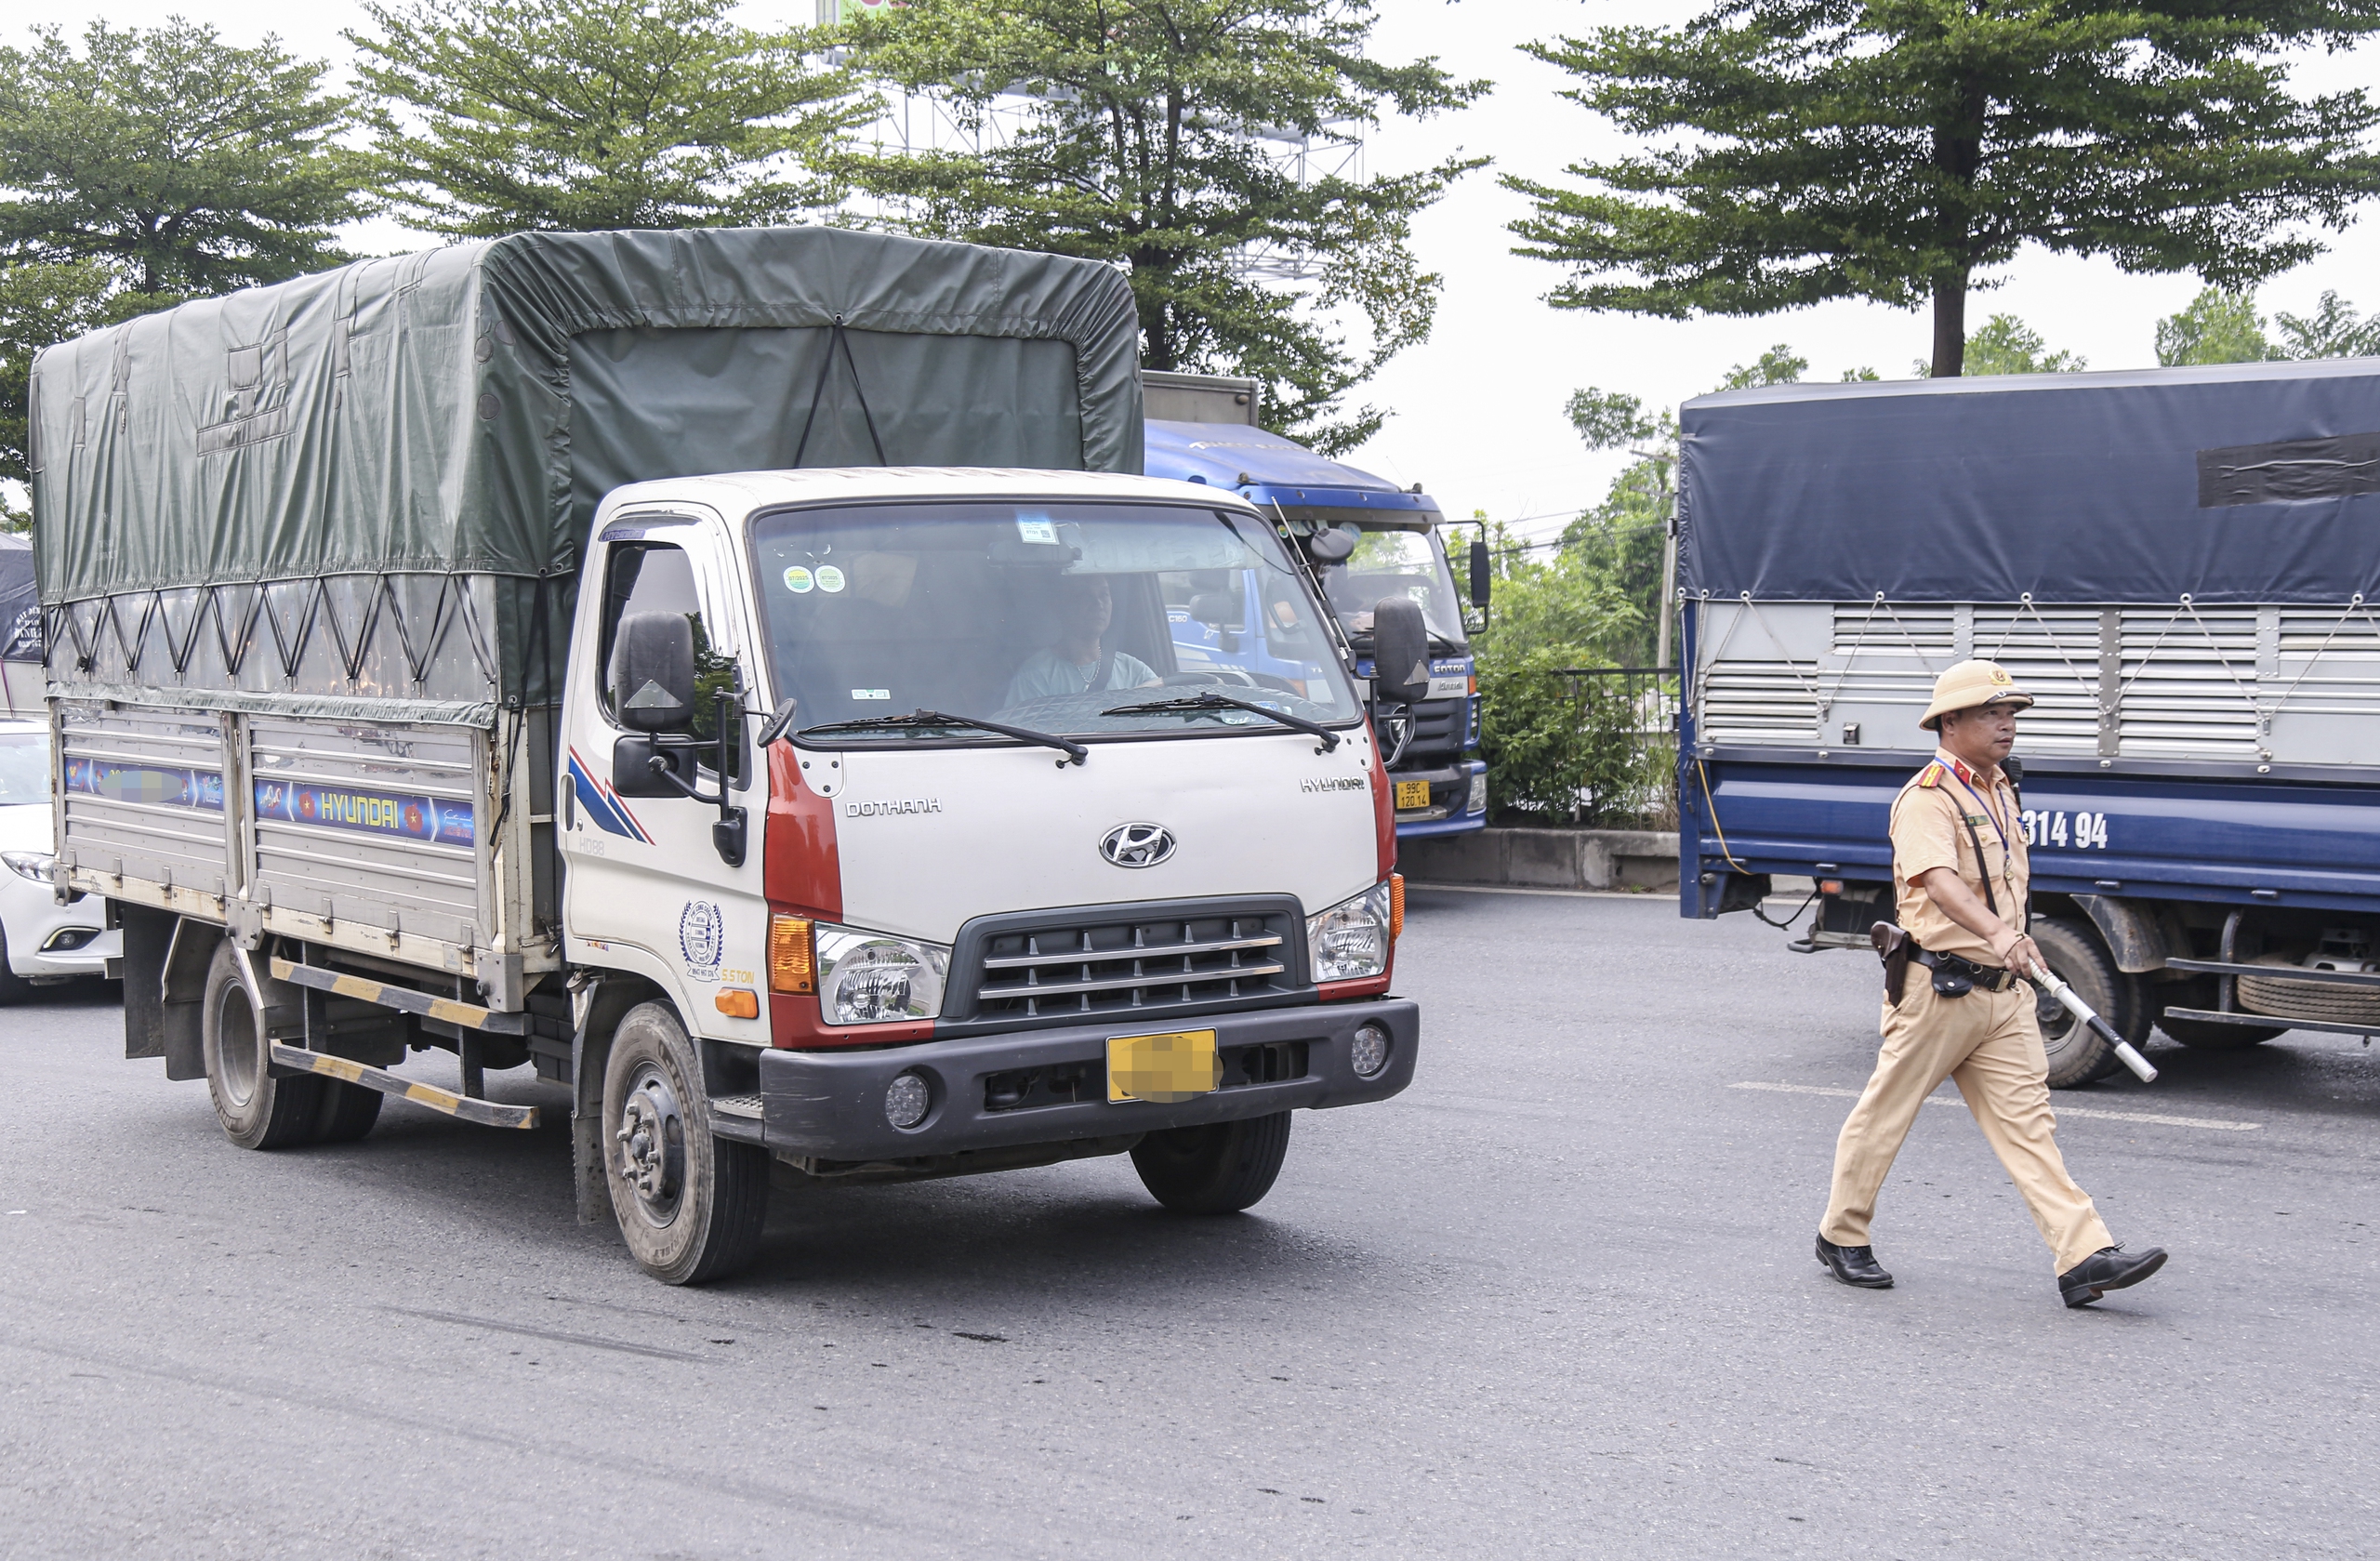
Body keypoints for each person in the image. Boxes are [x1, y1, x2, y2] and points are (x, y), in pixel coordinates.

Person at [1815, 658, 2168, 1309]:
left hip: (2005, 994)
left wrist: (2015, 948)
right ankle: (1842, 1233)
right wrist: (2001, 935)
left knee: (2030, 1127)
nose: (2007, 722)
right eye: (1991, 711)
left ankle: (2083, 1255)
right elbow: (1941, 883)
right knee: (1886, 1112)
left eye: (2011, 712)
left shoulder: (2002, 787)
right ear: (1950, 722)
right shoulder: (1928, 797)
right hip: (1936, 987)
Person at [1002, 574, 1162, 707]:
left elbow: (1163, 715)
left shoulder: (1134, 671)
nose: (1098, 604)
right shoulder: (1035, 676)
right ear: (1060, 607)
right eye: (1085, 596)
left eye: (1104, 595)